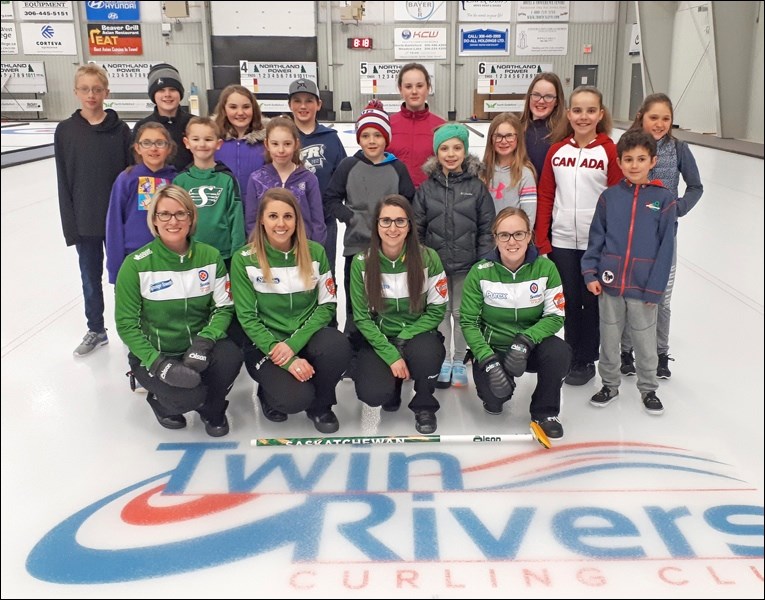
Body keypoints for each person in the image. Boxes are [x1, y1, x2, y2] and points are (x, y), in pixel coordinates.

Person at [114, 185, 242, 436]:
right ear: (154, 220)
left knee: (231, 356)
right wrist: (158, 363)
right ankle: (163, 404)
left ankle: (213, 408)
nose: (173, 221)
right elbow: (126, 325)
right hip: (157, 353)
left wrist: (204, 343)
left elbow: (224, 307)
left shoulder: (210, 256)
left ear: (191, 217)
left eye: (181, 214)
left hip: (198, 348)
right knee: (186, 397)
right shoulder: (136, 265)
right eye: (165, 214)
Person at [230, 188, 351, 433]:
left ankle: (322, 405)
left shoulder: (315, 252)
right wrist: (282, 355)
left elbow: (327, 304)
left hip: (303, 338)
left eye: (288, 216)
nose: (281, 223)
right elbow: (247, 318)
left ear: (297, 219)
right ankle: (268, 392)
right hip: (266, 345)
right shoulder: (244, 259)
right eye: (273, 216)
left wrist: (294, 345)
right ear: (261, 220)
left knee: (337, 345)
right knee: (293, 400)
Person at [581, 131, 677, 415]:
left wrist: (656, 287)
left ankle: (648, 389)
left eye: (641, 159)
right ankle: (609, 384)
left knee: (645, 339)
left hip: (644, 286)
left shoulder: (664, 200)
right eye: (628, 159)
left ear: (653, 161)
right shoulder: (610, 197)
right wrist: (590, 273)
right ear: (619, 163)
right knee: (609, 338)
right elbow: (596, 238)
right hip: (610, 284)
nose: (634, 165)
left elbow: (666, 249)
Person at [534, 85, 623, 386]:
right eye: (577, 110)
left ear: (600, 114)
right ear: (568, 113)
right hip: (561, 242)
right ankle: (573, 355)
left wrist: (612, 242)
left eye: (590, 110)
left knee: (593, 302)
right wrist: (542, 239)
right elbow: (546, 195)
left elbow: (617, 199)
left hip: (595, 245)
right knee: (569, 301)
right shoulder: (557, 151)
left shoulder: (609, 150)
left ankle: (588, 357)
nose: (583, 116)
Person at [460, 207, 570, 439]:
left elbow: (555, 315)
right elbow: (469, 322)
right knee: (494, 401)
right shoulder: (480, 272)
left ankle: (545, 412)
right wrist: (488, 361)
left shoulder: (546, 268)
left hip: (530, 348)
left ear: (529, 236)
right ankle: (496, 386)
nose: (512, 241)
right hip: (495, 348)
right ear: (495, 238)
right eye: (504, 235)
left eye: (519, 234)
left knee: (559, 352)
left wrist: (526, 340)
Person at [619, 93, 704, 379]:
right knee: (631, 294)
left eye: (665, 118)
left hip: (664, 237)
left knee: (661, 298)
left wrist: (676, 208)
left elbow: (695, 186)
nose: (659, 123)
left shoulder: (678, 149)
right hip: (631, 236)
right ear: (642, 116)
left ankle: (660, 353)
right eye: (654, 117)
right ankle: (626, 351)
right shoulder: (629, 145)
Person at [350, 195, 448, 434]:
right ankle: (390, 385)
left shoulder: (428, 258)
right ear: (376, 225)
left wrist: (407, 335)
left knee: (429, 353)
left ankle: (424, 404)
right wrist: (391, 353)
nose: (392, 228)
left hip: (417, 334)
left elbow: (437, 309)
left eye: (400, 221)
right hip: (381, 337)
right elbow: (361, 317)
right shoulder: (362, 262)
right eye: (386, 221)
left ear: (410, 225)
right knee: (373, 394)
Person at [55, 64, 133, 357]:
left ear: (106, 92)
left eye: (97, 89)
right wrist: (70, 225)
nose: (91, 95)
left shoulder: (120, 130)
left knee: (123, 278)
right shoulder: (66, 132)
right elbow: (64, 180)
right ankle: (96, 329)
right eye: (85, 89)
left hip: (116, 221)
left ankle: (129, 328)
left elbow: (129, 177)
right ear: (76, 92)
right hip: (84, 219)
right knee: (90, 277)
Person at [413, 123, 495, 389]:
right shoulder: (426, 189)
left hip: (466, 267)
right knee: (439, 314)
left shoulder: (477, 187)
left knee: (461, 315)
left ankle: (459, 359)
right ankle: (443, 360)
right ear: (437, 153)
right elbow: (418, 229)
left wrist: (483, 261)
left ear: (465, 151)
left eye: (457, 147)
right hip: (436, 267)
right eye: (444, 148)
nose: (451, 154)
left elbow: (486, 227)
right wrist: (424, 260)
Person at [324, 100, 415, 332]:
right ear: (359, 139)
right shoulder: (348, 166)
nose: (372, 141)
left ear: (386, 138)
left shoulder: (398, 168)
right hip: (357, 248)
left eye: (377, 135)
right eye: (366, 136)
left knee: (385, 302)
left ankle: (386, 343)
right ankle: (353, 351)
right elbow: (331, 197)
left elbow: (409, 203)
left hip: (391, 249)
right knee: (357, 305)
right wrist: (350, 217)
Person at [287, 77, 347, 275]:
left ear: (318, 104)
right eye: (297, 101)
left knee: (325, 273)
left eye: (309, 101)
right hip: (288, 221)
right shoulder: (283, 137)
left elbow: (342, 177)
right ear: (289, 104)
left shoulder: (330, 138)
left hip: (324, 221)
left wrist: (335, 208)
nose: (303, 106)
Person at [105, 122, 176, 284]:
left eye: (160, 143)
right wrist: (115, 269)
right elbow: (114, 223)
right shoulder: (127, 179)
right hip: (134, 258)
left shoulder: (176, 180)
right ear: (137, 148)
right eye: (147, 143)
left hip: (168, 258)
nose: (153, 148)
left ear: (169, 148)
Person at [173, 116, 245, 266]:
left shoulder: (227, 179)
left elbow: (236, 218)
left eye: (208, 139)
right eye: (196, 139)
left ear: (218, 144)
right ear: (187, 143)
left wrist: (238, 255)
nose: (202, 144)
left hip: (223, 255)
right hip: (190, 254)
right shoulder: (180, 181)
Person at [245, 116, 326, 246]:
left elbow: (317, 222)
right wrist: (258, 248)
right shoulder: (256, 179)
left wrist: (315, 252)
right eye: (275, 144)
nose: (281, 150)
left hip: (302, 251)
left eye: (287, 144)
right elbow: (251, 221)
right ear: (267, 144)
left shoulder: (308, 179)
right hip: (267, 252)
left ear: (296, 144)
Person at [387, 63, 446, 188]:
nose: (414, 91)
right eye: (408, 86)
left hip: (430, 199)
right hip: (395, 198)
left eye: (419, 86)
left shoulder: (441, 127)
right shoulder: (388, 125)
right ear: (400, 89)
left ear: (428, 88)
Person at [481, 112, 538, 227]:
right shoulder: (482, 172)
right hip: (486, 240)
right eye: (498, 136)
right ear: (491, 139)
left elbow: (529, 218)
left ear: (518, 138)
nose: (503, 141)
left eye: (509, 135)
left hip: (512, 240)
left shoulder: (525, 174)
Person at [213, 84, 267, 206]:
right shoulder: (213, 142)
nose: (240, 112)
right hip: (223, 209)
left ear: (254, 109)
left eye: (246, 107)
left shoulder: (267, 141)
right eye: (233, 107)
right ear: (224, 110)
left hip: (257, 209)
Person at [133, 63, 193, 171]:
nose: (167, 94)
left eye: (172, 89)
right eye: (161, 90)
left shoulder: (194, 123)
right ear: (153, 95)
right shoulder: (142, 126)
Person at [520, 72, 566, 182]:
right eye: (536, 95)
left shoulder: (565, 133)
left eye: (548, 96)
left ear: (557, 101)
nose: (541, 101)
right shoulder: (518, 130)